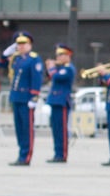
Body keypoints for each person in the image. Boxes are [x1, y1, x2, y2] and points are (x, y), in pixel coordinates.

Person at [7, 32, 44, 165]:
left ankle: (26, 156)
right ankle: (21, 154)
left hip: (26, 98)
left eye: (24, 44)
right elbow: (3, 64)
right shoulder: (17, 59)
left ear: (30, 45)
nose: (21, 46)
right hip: (17, 97)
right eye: (19, 44)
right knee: (19, 129)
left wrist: (34, 97)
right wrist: (7, 53)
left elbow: (36, 80)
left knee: (26, 128)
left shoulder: (34, 59)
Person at [46, 44, 76, 163]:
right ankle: (57, 153)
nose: (57, 57)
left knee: (62, 130)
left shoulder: (68, 69)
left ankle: (62, 154)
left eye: (60, 55)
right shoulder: (61, 68)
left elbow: (56, 77)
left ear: (67, 56)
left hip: (62, 101)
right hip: (55, 101)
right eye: (57, 55)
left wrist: (51, 67)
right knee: (56, 129)